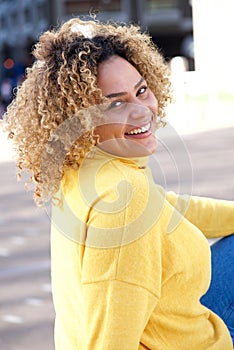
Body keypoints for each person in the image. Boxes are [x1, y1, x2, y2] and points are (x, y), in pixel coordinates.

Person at [2, 17, 234, 350]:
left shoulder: (86, 168)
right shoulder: (124, 200)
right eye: (115, 104)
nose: (142, 112)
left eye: (142, 91)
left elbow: (174, 207)